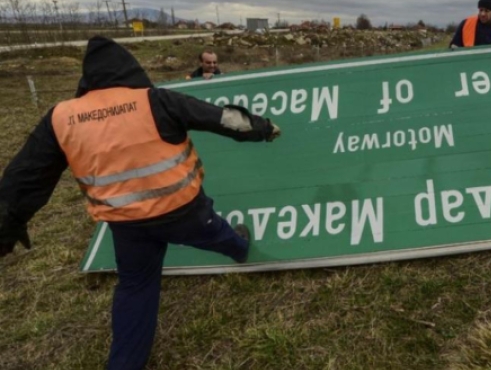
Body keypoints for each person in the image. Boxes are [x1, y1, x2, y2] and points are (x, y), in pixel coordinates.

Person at [0, 36, 281, 369]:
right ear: (129, 68)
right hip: (183, 211)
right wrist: (264, 128)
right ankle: (240, 249)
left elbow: (25, 176)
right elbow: (221, 118)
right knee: (221, 235)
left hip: (126, 223)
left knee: (135, 287)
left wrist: (7, 225)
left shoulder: (61, 118)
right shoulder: (154, 100)